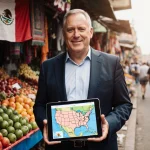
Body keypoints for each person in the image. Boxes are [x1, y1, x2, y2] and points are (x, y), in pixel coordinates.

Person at [33, 9, 132, 150]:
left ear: (90, 32)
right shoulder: (48, 67)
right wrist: (46, 123)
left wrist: (108, 123)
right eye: (70, 30)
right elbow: (39, 106)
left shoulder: (112, 64)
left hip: (101, 146)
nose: (76, 35)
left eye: (81, 29)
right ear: (64, 33)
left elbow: (124, 105)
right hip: (61, 147)